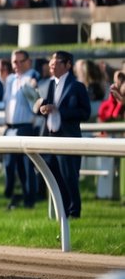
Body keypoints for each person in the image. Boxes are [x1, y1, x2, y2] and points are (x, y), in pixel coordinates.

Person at [37, 51, 92, 219]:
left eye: (56, 62)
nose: (52, 65)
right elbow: (43, 107)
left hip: (68, 137)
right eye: (51, 63)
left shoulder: (77, 86)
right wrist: (43, 109)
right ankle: (61, 212)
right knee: (54, 176)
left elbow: (85, 112)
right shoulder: (47, 84)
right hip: (49, 136)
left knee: (69, 177)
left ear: (68, 64)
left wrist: (61, 111)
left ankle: (74, 213)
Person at [4, 49, 41, 208]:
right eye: (14, 62)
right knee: (11, 166)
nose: (17, 65)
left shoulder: (33, 76)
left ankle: (29, 200)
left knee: (26, 167)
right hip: (10, 127)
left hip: (26, 127)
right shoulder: (11, 79)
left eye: (21, 61)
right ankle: (15, 195)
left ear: (28, 62)